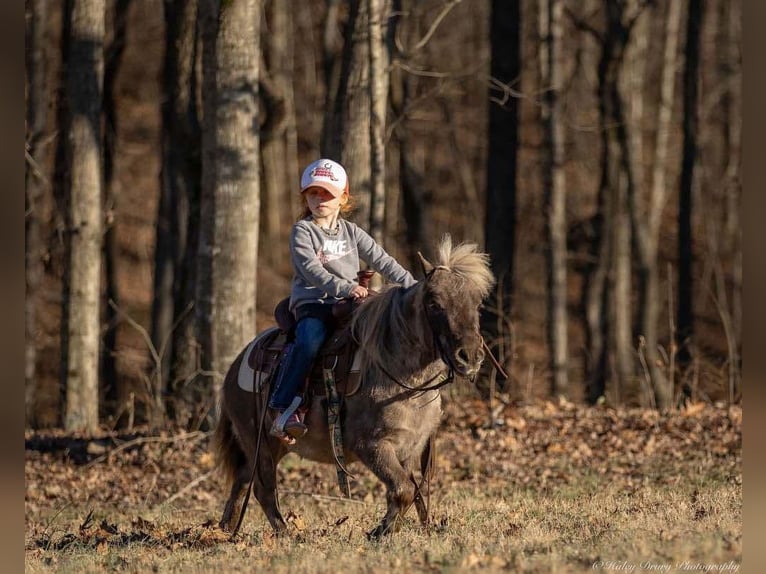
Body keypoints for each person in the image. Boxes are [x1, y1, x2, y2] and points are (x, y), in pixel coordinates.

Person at [269, 158, 417, 442]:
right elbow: (310, 269)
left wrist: (412, 286)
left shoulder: (351, 232)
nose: (320, 199)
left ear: (343, 198)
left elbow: (381, 259)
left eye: (327, 193)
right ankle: (285, 406)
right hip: (314, 304)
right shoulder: (303, 231)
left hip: (350, 304)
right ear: (305, 197)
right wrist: (346, 286)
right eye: (313, 193)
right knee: (310, 339)